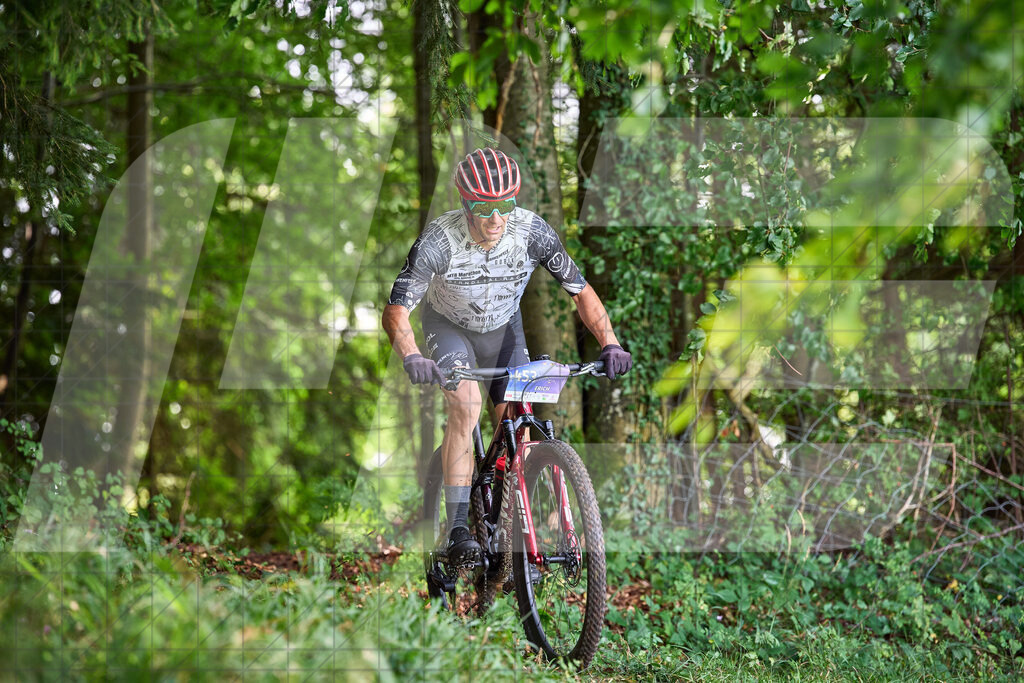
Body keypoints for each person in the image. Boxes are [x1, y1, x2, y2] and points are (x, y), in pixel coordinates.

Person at [382, 148, 631, 566]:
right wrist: (411, 355)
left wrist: (610, 342)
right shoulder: (438, 242)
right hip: (449, 328)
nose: (496, 218)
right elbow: (396, 312)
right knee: (466, 405)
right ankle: (460, 528)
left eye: (505, 205)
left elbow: (581, 291)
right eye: (483, 206)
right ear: (465, 204)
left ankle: (512, 529)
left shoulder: (532, 231)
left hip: (504, 330)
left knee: (519, 427)